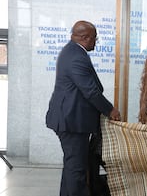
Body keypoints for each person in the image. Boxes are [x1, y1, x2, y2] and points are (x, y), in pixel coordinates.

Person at [46, 20, 121, 196]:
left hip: (71, 119)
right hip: (71, 121)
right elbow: (90, 91)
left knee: (73, 165)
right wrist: (110, 110)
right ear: (85, 38)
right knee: (77, 169)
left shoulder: (72, 51)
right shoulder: (76, 56)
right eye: (95, 38)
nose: (96, 42)